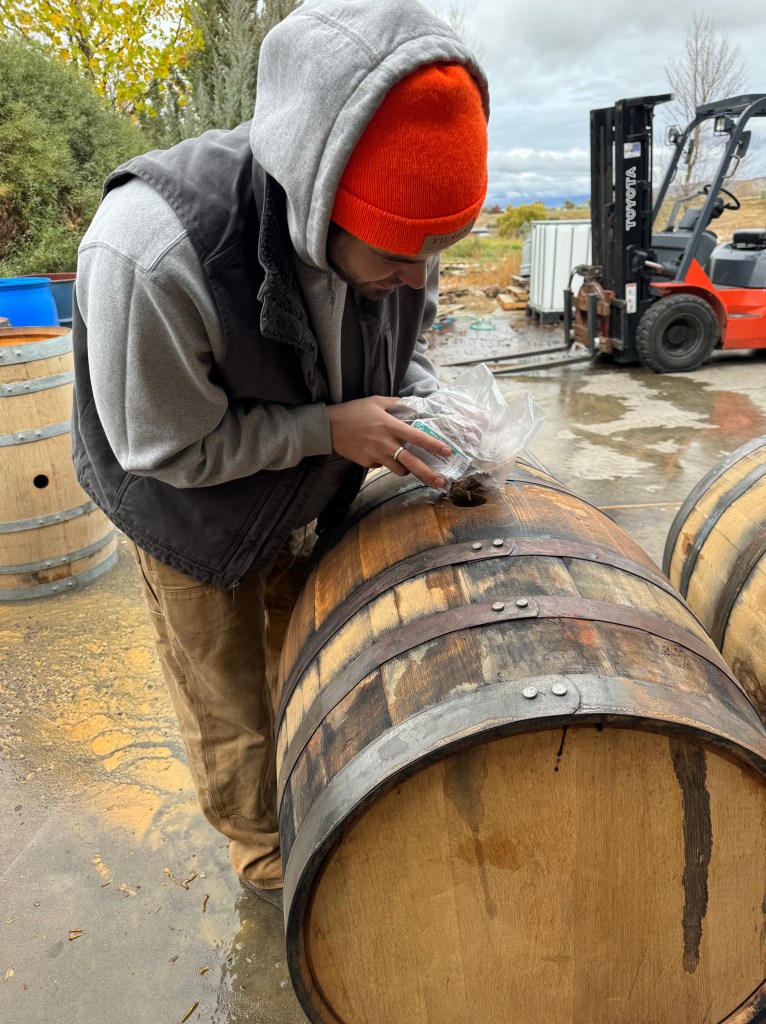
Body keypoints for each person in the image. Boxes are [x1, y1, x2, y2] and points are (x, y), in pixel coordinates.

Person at [71, 0, 489, 906]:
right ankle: (266, 863)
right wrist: (329, 431)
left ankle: (312, 801)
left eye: (437, 252)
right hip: (193, 513)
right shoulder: (152, 254)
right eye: (400, 256)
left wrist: (429, 406)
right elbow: (161, 449)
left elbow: (399, 341)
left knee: (300, 656)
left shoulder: (398, 237)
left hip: (303, 491)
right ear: (316, 191)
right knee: (230, 708)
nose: (419, 277)